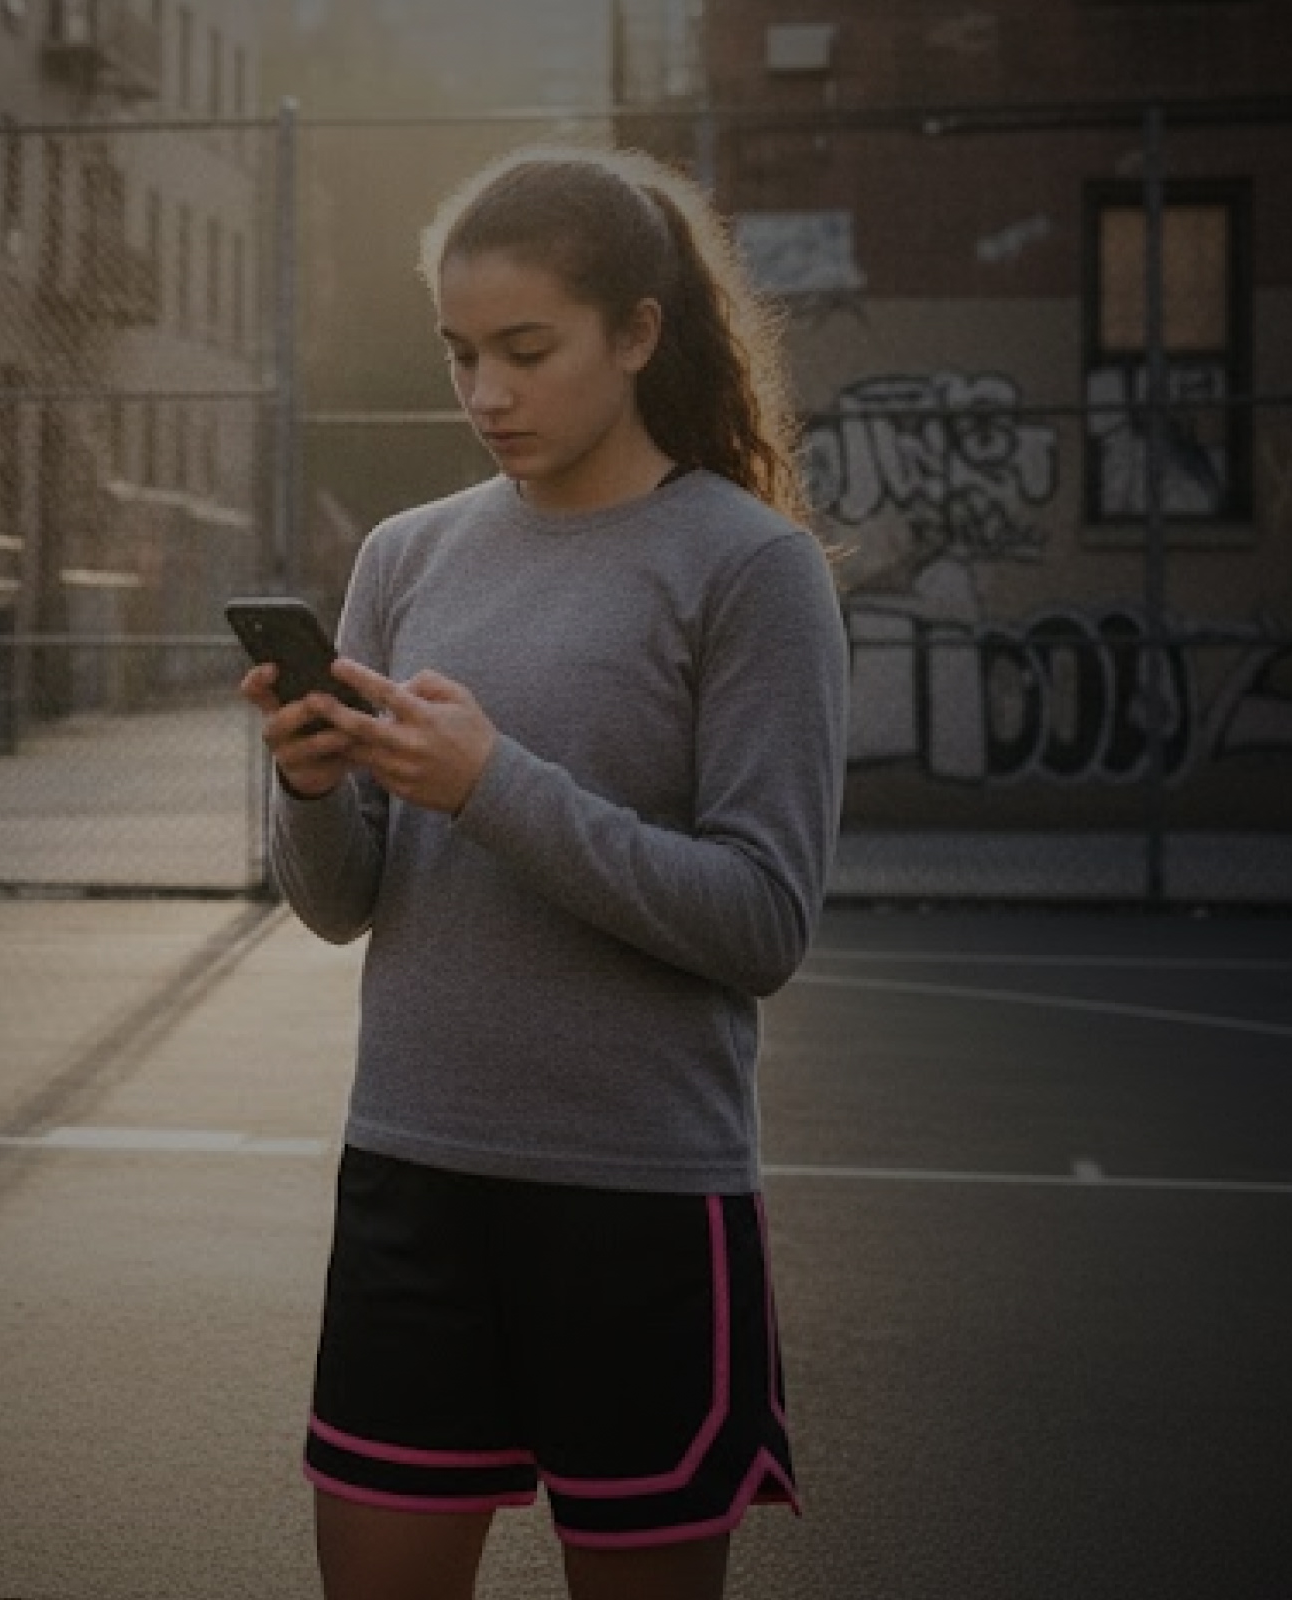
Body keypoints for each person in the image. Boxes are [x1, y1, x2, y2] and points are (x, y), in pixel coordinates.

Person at [239, 144, 847, 1600]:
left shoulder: (750, 569)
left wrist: (492, 787)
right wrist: (309, 787)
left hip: (640, 1201)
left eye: (526, 350)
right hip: (413, 1174)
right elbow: (341, 904)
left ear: (637, 333)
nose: (487, 393)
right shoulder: (406, 555)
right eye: (460, 355)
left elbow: (762, 920)